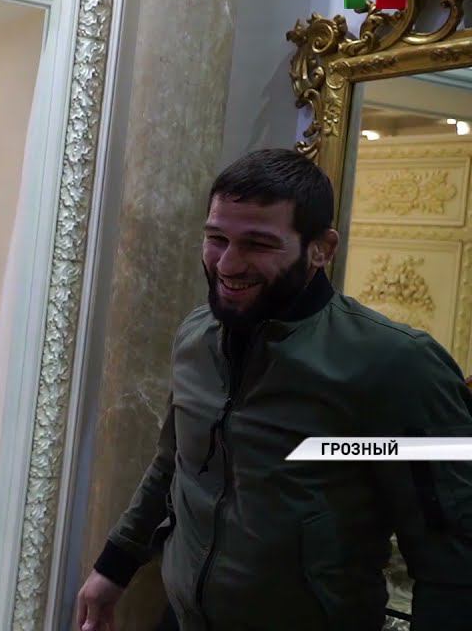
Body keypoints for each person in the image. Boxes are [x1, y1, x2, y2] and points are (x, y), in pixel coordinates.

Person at [76, 149, 472, 631]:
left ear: (321, 249)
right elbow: (172, 464)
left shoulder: (398, 365)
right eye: (216, 238)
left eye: (258, 244)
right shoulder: (196, 336)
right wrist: (113, 567)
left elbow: (452, 554)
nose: (228, 263)